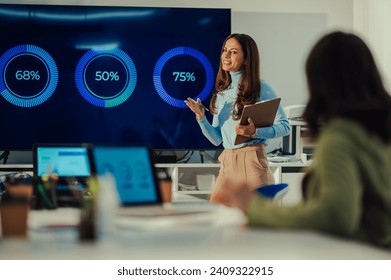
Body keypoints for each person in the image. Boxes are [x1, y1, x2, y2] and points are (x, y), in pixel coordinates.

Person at [211, 31, 391, 247]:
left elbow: (335, 216)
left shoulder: (339, 138)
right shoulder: (377, 132)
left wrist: (257, 209)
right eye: (225, 50)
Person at [185, 33, 290, 201]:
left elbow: (285, 126)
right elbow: (217, 139)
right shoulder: (221, 94)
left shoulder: (261, 88)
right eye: (225, 50)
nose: (226, 56)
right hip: (227, 163)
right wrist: (201, 118)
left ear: (247, 59)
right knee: (219, 217)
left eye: (233, 52)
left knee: (254, 222)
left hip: (252, 162)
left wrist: (254, 132)